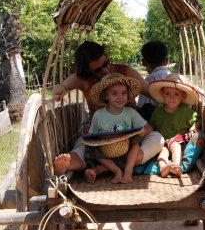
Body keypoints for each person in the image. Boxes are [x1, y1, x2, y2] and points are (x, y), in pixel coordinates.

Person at [53, 41, 164, 176]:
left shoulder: (125, 71)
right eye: (97, 70)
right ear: (87, 71)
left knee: (157, 138)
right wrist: (60, 88)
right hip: (101, 135)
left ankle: (104, 167)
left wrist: (173, 98)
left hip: (129, 134)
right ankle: (68, 163)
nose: (104, 70)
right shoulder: (84, 79)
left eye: (105, 63)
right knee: (83, 144)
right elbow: (63, 86)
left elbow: (151, 92)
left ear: (106, 56)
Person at [84, 73, 153, 184]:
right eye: (114, 93)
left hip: (126, 150)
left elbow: (149, 127)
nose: (120, 97)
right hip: (105, 152)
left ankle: (128, 171)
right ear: (106, 96)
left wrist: (144, 131)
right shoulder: (99, 114)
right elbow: (93, 134)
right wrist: (89, 136)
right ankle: (116, 170)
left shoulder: (130, 112)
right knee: (91, 147)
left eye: (123, 93)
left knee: (136, 141)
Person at [148, 73, 201, 178]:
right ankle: (163, 168)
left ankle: (176, 166)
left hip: (179, 140)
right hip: (163, 142)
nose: (171, 97)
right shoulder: (158, 112)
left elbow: (197, 121)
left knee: (175, 146)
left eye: (176, 94)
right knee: (162, 152)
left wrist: (193, 128)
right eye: (168, 94)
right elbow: (151, 126)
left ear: (183, 96)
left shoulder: (186, 111)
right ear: (163, 95)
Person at [137, 40, 170, 121]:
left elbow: (142, 108)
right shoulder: (171, 76)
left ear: (143, 62)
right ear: (166, 61)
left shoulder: (149, 80)